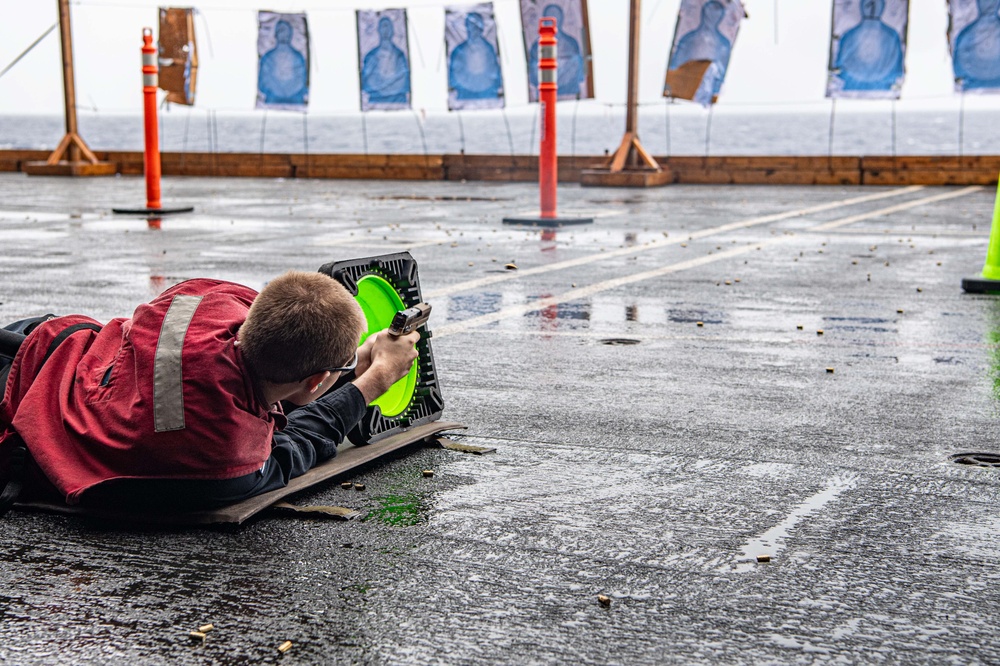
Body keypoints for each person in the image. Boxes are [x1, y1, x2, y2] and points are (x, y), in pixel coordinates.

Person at [0, 271, 419, 512]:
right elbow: (300, 441)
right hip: (18, 416)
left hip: (46, 340)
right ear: (315, 381)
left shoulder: (213, 299)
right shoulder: (228, 455)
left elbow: (283, 325)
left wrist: (344, 366)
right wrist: (372, 382)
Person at [834, 0, 904, 92]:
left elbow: (897, 67)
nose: (872, 8)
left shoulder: (892, 35)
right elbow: (841, 64)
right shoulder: (849, 35)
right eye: (869, 4)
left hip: (880, 83)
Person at [360, 16, 411, 106]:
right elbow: (367, 83)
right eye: (383, 27)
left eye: (388, 27)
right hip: (375, 101)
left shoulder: (400, 55)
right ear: (378, 30)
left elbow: (404, 82)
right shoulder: (371, 56)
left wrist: (384, 86)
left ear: (392, 30)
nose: (386, 30)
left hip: (399, 101)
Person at [257, 19, 309, 106]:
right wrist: (277, 89)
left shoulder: (298, 57)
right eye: (280, 31)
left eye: (286, 31)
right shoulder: (268, 57)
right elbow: (263, 83)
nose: (283, 35)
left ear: (291, 33)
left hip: (295, 101)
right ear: (276, 34)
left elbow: (302, 80)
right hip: (272, 101)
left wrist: (289, 90)